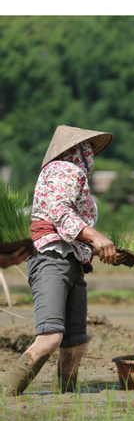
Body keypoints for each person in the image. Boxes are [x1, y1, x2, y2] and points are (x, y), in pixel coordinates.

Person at [4, 125, 117, 396]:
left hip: (71, 261)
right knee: (50, 338)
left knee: (75, 343)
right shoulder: (64, 169)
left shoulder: (72, 174)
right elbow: (60, 211)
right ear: (74, 150)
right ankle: (8, 398)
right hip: (50, 258)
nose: (90, 155)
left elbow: (72, 227)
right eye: (86, 149)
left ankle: (65, 398)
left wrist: (100, 248)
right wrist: (96, 237)